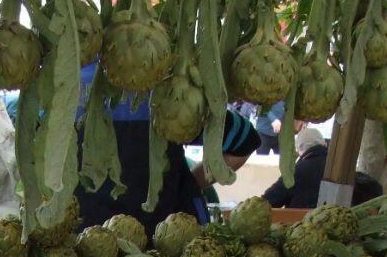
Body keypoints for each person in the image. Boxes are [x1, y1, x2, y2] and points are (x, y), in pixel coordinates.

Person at [74, 61, 259, 232]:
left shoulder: (61, 87)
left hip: (79, 246)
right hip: (166, 242)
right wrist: (189, 184)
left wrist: (187, 183)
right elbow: (243, 140)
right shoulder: (170, 89)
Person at [263, 127, 382, 207]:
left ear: (299, 150)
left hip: (298, 230)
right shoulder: (340, 167)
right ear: (324, 144)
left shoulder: (295, 172)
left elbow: (268, 202)